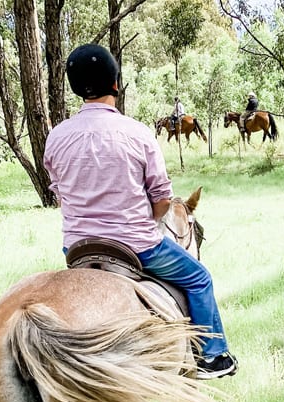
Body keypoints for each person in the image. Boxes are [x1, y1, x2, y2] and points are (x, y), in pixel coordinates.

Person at [44, 43, 238, 380]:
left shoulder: (56, 137)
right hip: (136, 246)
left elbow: (60, 194)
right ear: (116, 84)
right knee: (199, 278)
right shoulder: (137, 133)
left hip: (76, 250)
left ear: (76, 88)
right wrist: (141, 221)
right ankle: (212, 355)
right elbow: (162, 201)